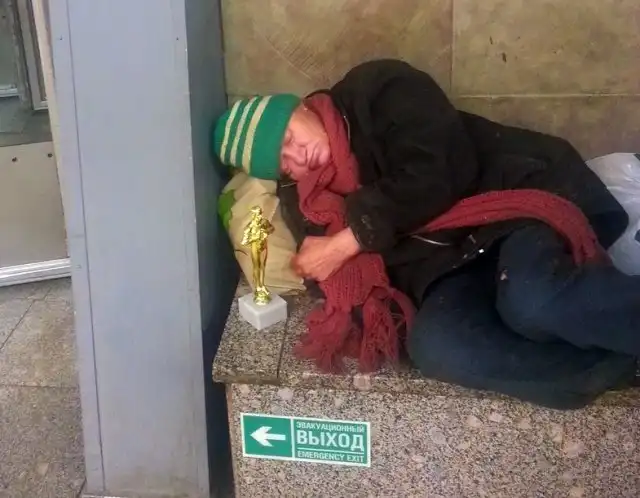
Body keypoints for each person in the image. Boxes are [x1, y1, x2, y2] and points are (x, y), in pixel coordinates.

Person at [213, 59, 639, 409]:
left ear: (300, 108)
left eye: (288, 138)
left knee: (532, 302)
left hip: (509, 203)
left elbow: (436, 174)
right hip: (447, 265)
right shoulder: (306, 199)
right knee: (437, 346)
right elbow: (329, 274)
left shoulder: (378, 90)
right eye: (284, 163)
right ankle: (614, 367)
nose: (297, 158)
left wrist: (347, 242)